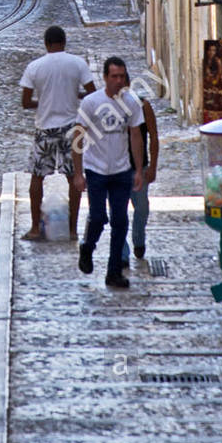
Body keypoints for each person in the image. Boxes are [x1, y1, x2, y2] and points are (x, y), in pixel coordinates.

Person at [73, 55, 144, 288]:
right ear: (105, 78)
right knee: (98, 217)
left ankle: (113, 271)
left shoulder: (131, 102)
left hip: (121, 170)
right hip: (96, 170)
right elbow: (78, 136)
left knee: (120, 220)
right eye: (114, 76)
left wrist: (139, 170)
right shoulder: (91, 103)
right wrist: (77, 173)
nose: (118, 80)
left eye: (122, 76)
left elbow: (135, 135)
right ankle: (88, 246)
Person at [19, 26, 96, 241]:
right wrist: (74, 95)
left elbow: (25, 102)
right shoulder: (78, 63)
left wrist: (44, 101)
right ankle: (72, 230)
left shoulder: (35, 67)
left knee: (37, 177)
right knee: (74, 178)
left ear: (46, 43)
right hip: (71, 128)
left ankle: (35, 228)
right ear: (64, 42)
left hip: (44, 129)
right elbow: (92, 94)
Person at [121, 76, 159, 264]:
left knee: (141, 208)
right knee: (118, 212)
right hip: (116, 169)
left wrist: (152, 166)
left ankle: (138, 239)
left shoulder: (143, 106)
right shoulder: (106, 109)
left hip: (139, 167)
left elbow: (153, 135)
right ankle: (122, 254)